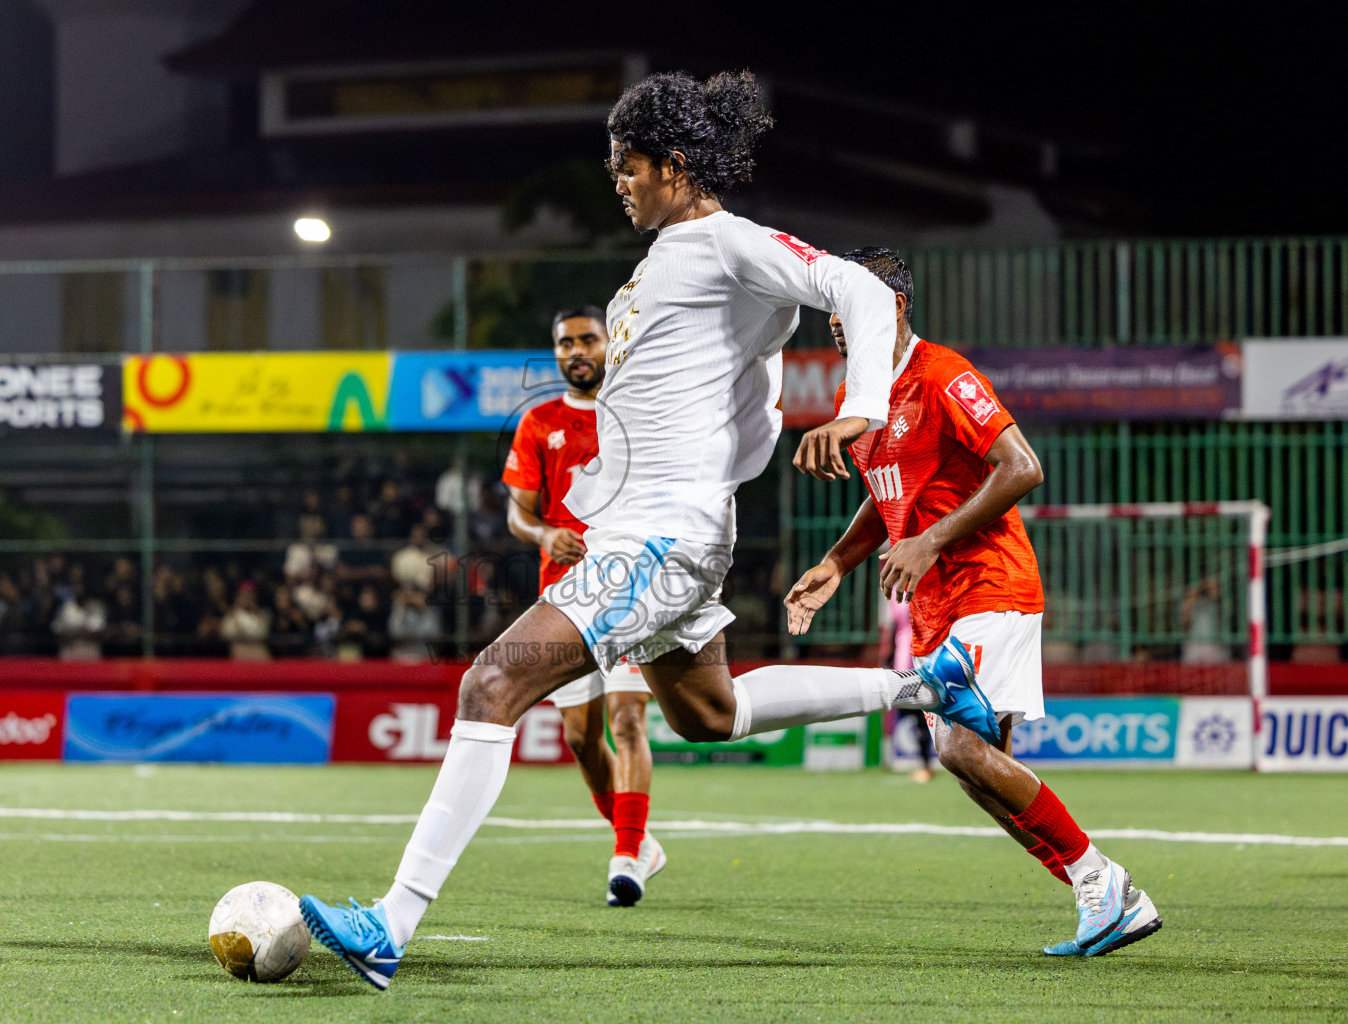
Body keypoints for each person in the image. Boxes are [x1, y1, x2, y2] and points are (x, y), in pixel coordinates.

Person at [300, 70, 998, 991]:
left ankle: (391, 921)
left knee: (492, 682)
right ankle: (925, 686)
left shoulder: (725, 241)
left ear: (674, 167)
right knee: (710, 714)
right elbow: (723, 386)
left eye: (627, 167)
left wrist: (861, 408)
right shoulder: (674, 258)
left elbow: (857, 293)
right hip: (657, 528)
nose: (617, 182)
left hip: (661, 536)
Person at [787, 247, 1163, 958]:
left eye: (851, 305)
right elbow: (883, 498)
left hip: (989, 587)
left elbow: (1023, 467)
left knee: (959, 747)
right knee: (971, 764)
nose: (836, 320)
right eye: (831, 307)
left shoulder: (943, 375)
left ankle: (1102, 880)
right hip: (935, 607)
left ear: (893, 305)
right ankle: (1105, 896)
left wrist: (928, 541)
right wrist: (835, 561)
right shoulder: (860, 399)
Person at [502, 304, 663, 906]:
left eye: (587, 339)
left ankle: (627, 854)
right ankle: (638, 840)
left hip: (631, 587)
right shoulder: (538, 422)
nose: (576, 351)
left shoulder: (636, 413)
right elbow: (517, 510)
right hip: (564, 593)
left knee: (627, 718)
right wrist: (543, 534)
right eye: (565, 342)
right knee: (578, 736)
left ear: (609, 343)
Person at [883, 595, 935, 782]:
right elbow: (894, 624)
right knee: (914, 716)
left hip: (926, 659)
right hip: (903, 661)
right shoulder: (897, 590)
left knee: (927, 715)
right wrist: (889, 655)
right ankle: (924, 763)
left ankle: (928, 765)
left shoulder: (927, 583)